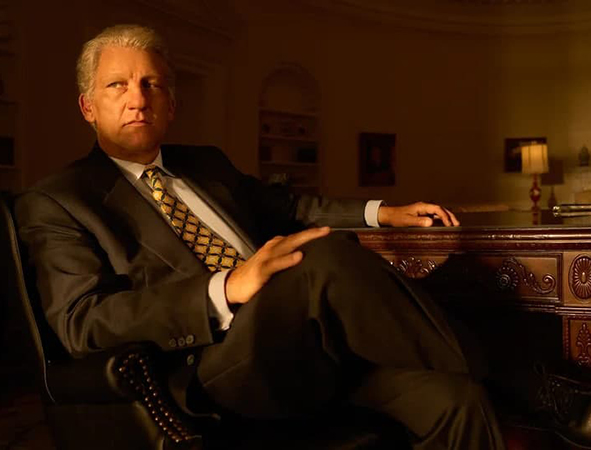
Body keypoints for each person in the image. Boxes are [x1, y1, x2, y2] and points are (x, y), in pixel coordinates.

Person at [15, 24, 505, 449]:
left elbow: (290, 208)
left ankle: (481, 380)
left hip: (306, 347)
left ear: (172, 104)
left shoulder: (207, 164)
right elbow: (82, 322)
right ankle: (507, 378)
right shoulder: (60, 199)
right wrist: (225, 288)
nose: (138, 98)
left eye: (152, 84)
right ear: (88, 107)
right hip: (214, 368)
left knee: (457, 402)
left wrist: (384, 212)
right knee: (322, 256)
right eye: (117, 85)